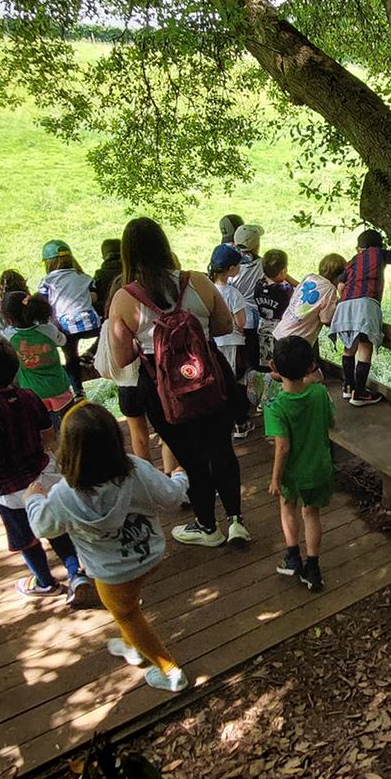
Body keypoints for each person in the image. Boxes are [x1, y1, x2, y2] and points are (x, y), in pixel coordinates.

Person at [104, 217, 248, 548]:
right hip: (211, 378)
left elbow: (122, 358)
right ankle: (237, 521)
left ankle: (207, 526)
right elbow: (225, 326)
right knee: (221, 449)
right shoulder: (196, 280)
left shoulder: (125, 299)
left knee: (191, 458)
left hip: (162, 391)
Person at [29, 401, 192, 691]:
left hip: (111, 573)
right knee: (129, 604)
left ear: (70, 449)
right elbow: (171, 497)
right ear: (114, 440)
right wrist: (180, 476)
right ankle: (132, 648)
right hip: (150, 553)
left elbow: (43, 526)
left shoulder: (65, 494)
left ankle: (169, 672)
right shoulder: (136, 468)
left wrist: (33, 499)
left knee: (126, 614)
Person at [0, 340, 88, 603]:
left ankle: (45, 582)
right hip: (43, 475)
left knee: (25, 538)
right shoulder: (30, 396)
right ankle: (77, 575)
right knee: (56, 527)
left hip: (9, 489)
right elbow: (49, 437)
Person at [266, 335, 336, 592]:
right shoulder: (319, 393)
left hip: (292, 474)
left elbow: (282, 447)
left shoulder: (276, 407)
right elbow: (331, 423)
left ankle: (293, 556)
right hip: (318, 468)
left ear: (273, 366)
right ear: (310, 366)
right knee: (312, 514)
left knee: (288, 507)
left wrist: (275, 479)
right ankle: (313, 567)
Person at [331, 230, 391, 406]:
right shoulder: (379, 253)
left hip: (344, 305)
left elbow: (341, 285)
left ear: (359, 248)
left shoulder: (351, 262)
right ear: (378, 245)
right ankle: (359, 394)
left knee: (349, 346)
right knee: (365, 346)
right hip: (367, 303)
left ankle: (348, 387)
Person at [0, 291, 75, 426]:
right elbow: (62, 341)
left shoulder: (9, 336)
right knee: (69, 424)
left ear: (9, 319)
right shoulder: (47, 330)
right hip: (58, 385)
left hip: (31, 391)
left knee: (44, 427)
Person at [38, 240, 101, 398]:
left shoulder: (47, 282)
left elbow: (43, 304)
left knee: (70, 358)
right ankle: (92, 352)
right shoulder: (83, 276)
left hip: (66, 327)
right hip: (89, 322)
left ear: (48, 263)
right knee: (107, 329)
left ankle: (78, 391)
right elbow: (94, 297)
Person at [207, 244, 253, 439]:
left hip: (213, 342)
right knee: (235, 382)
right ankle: (240, 423)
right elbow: (241, 323)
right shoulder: (233, 294)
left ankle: (219, 422)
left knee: (218, 382)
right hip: (232, 342)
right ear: (232, 269)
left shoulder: (207, 289)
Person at [248, 249, 296, 415]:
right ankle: (267, 400)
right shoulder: (285, 290)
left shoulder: (259, 285)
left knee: (267, 363)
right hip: (279, 330)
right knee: (279, 365)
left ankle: (258, 380)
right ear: (283, 271)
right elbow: (298, 293)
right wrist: (288, 278)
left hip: (262, 327)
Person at [273, 254, 345, 349]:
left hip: (280, 332)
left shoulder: (310, 277)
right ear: (339, 277)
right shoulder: (330, 289)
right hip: (295, 342)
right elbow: (326, 319)